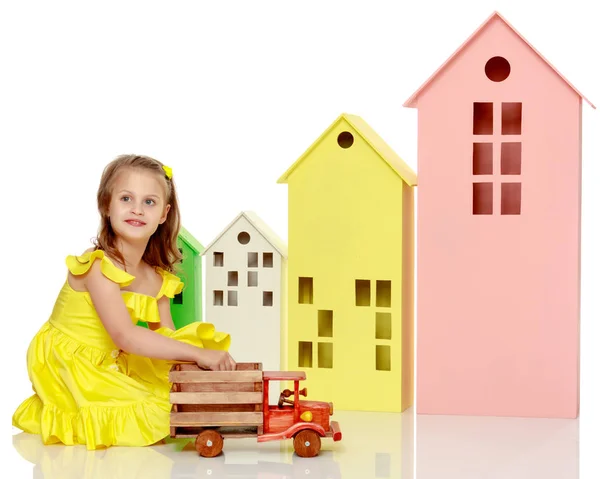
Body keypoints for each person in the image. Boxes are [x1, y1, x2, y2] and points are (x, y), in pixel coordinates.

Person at [12, 154, 236, 450]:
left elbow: (165, 339)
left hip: (113, 359)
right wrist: (198, 354)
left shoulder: (157, 280)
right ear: (107, 205)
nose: (137, 210)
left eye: (149, 202)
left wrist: (199, 364)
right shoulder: (98, 266)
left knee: (168, 395)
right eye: (126, 198)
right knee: (149, 414)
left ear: (163, 214)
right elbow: (125, 336)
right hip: (70, 359)